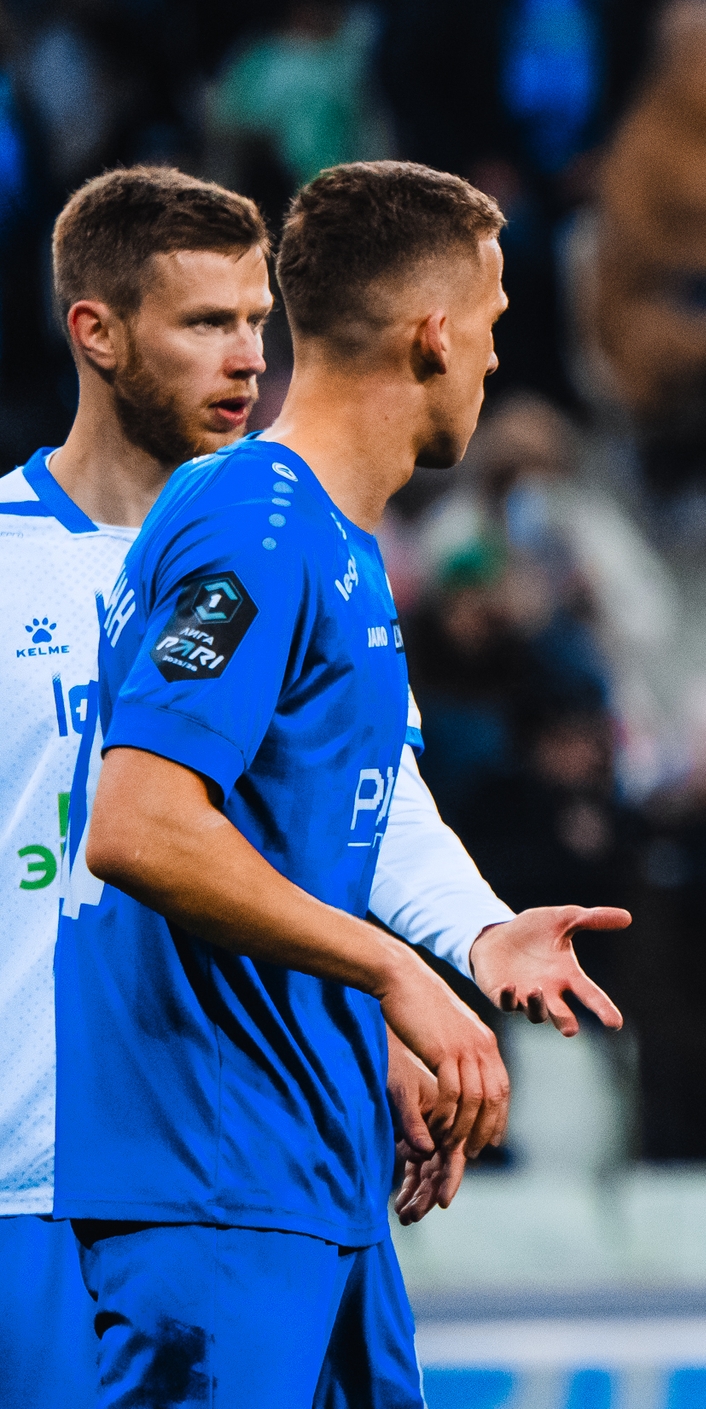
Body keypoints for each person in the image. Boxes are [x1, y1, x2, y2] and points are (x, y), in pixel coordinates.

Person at [0, 167, 629, 1402]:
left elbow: (361, 806)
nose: (247, 356)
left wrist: (455, 943)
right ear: (97, 333)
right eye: (206, 323)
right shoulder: (241, 528)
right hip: (82, 1151)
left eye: (257, 320)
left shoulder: (310, 535)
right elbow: (145, 827)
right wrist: (388, 972)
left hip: (254, 1137)